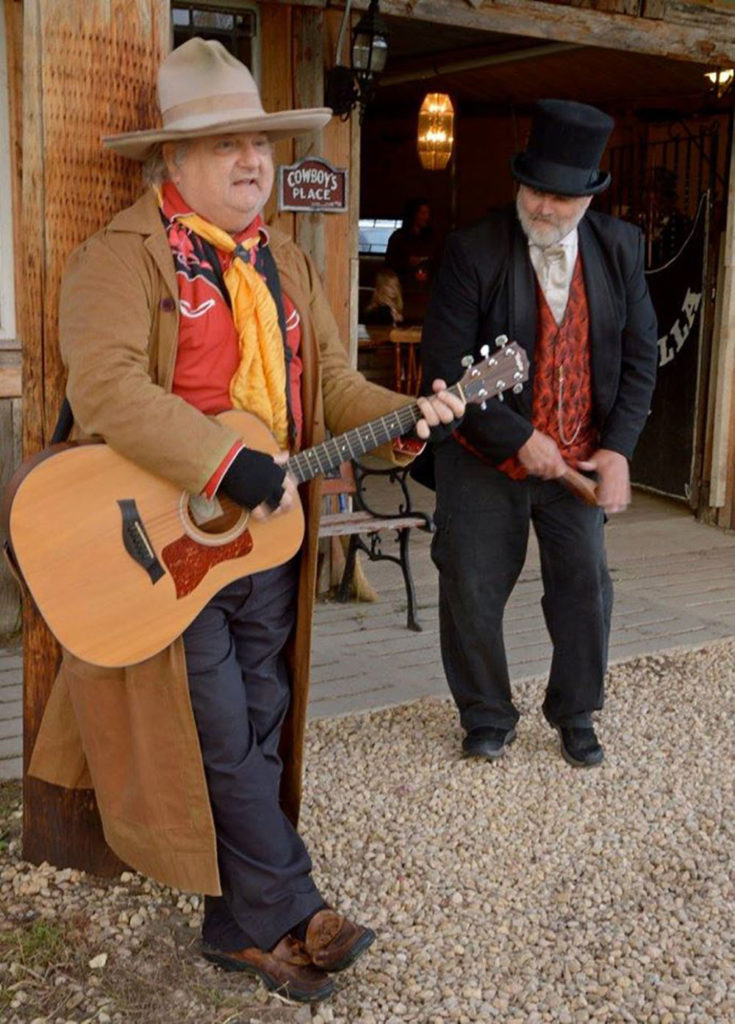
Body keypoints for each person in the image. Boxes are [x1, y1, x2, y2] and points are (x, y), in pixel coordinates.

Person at [27, 38, 464, 1004]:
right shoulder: (120, 255)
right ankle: (298, 912)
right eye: (224, 145)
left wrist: (400, 426)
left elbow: (334, 387)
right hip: (161, 538)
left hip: (262, 537)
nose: (251, 161)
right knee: (219, 730)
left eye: (259, 142)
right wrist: (227, 462)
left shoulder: (288, 266)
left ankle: (236, 927)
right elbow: (104, 387)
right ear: (170, 163)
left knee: (261, 719)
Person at [421, 99, 657, 768]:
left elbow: (640, 358)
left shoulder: (619, 249)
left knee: (584, 586)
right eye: (535, 190)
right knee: (469, 583)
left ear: (587, 197)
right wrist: (513, 436)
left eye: (560, 196)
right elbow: (445, 369)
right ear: (518, 184)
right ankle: (486, 714)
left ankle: (575, 711)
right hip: (482, 455)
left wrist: (616, 451)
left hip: (578, 454)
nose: (544, 207)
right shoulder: (473, 249)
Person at [385, 197, 435, 292]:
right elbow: (389, 264)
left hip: (426, 288)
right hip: (403, 288)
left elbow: (436, 259)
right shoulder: (398, 237)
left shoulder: (430, 237)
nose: (426, 217)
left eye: (428, 213)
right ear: (413, 214)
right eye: (423, 213)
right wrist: (407, 262)